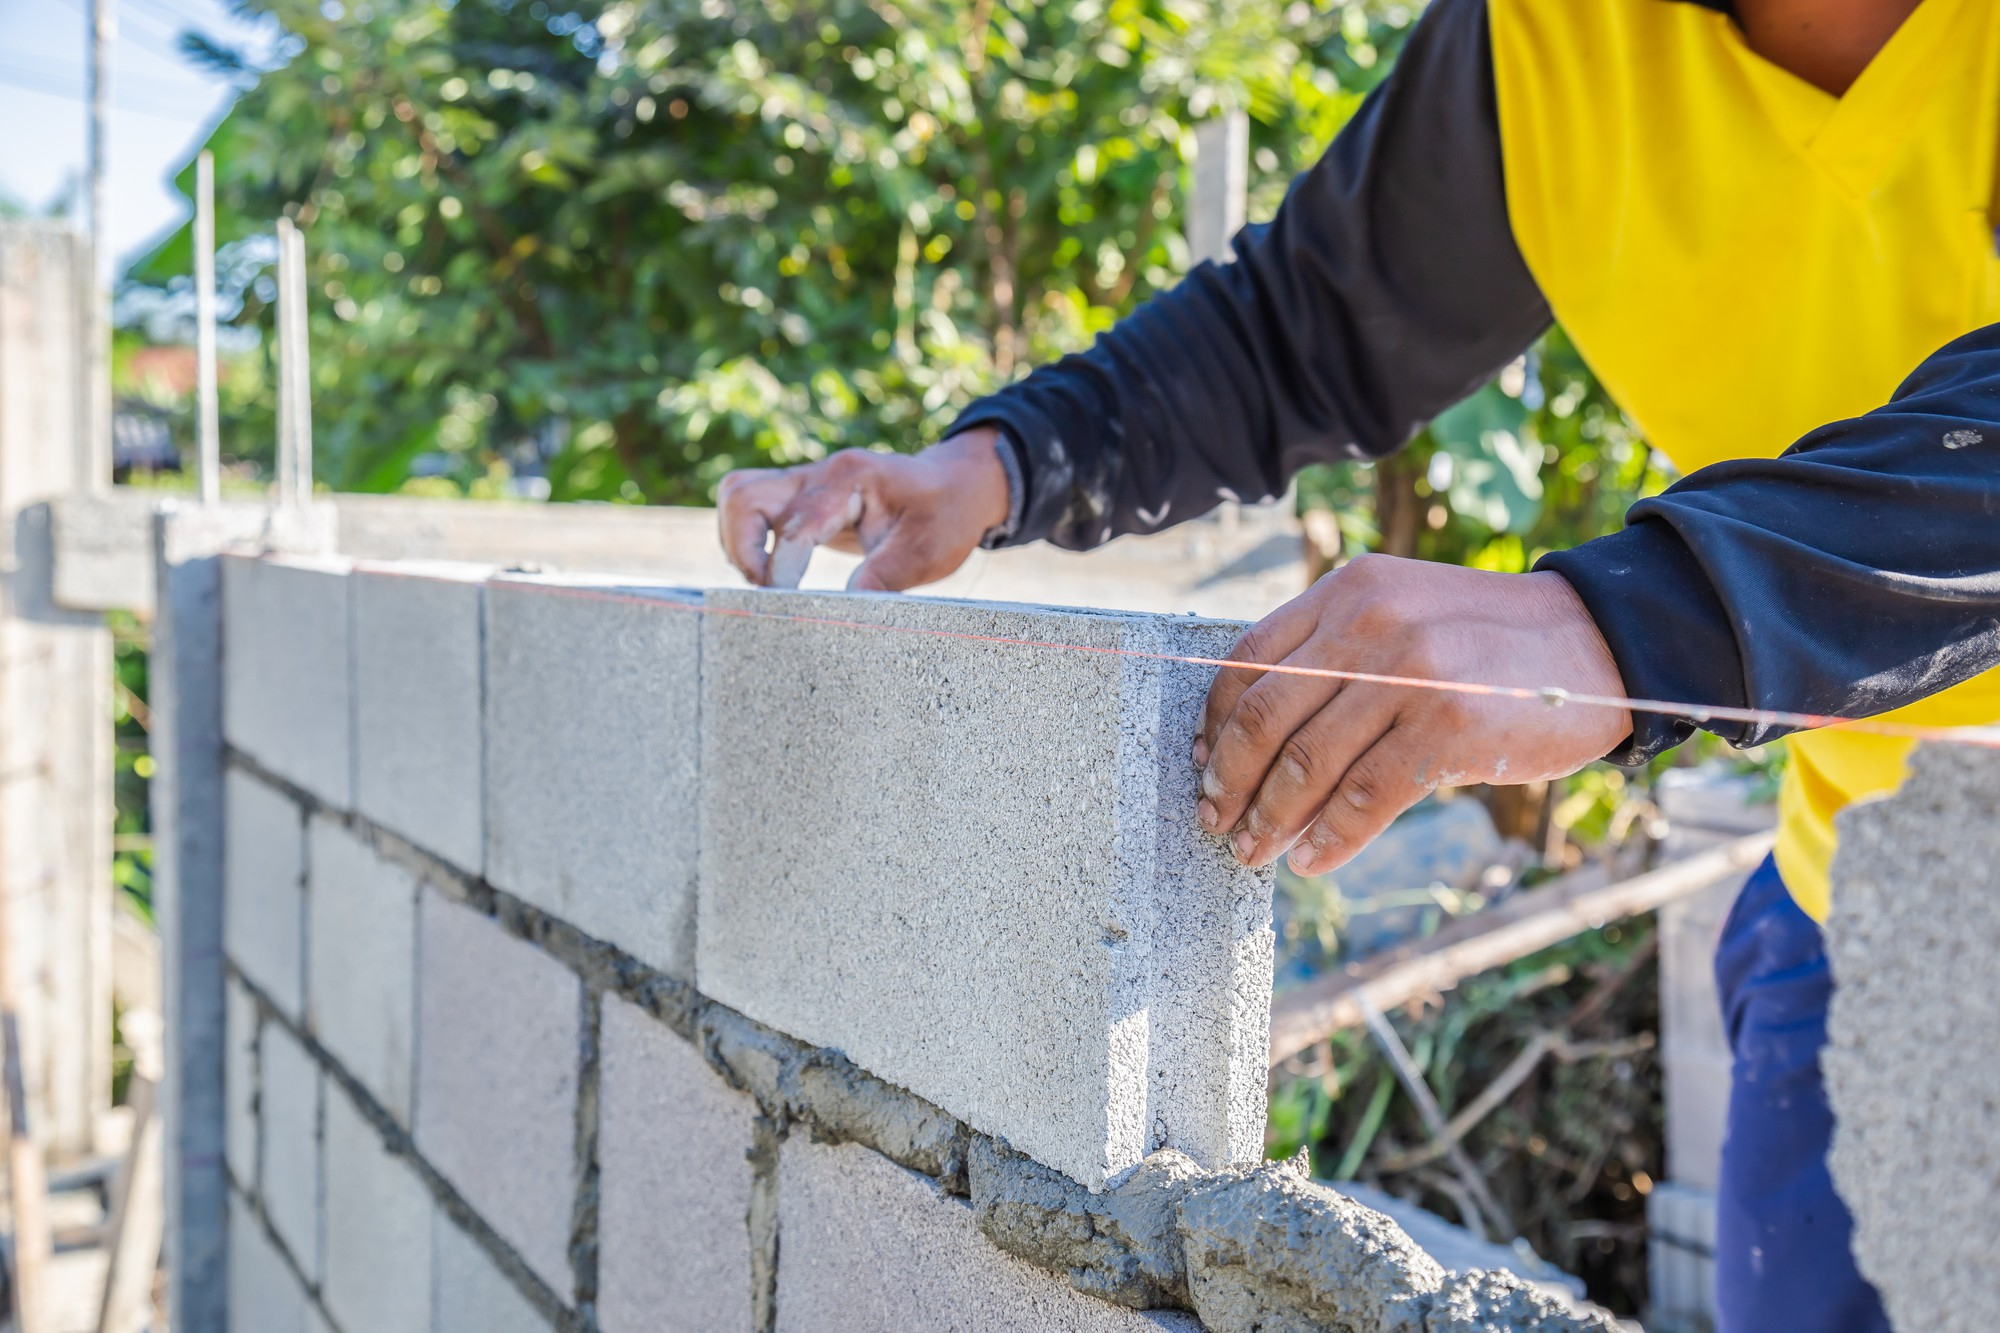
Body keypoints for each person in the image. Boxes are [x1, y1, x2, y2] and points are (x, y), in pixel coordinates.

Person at [715, 0, 2000, 1327]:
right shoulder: (1550, 37)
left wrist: (1625, 622)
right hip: (1868, 890)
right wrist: (1001, 465)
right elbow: (1306, 322)